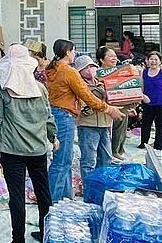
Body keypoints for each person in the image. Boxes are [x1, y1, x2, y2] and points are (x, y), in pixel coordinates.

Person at [0, 44, 57, 243]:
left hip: (12, 151)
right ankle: (46, 234)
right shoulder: (40, 88)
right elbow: (48, 116)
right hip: (38, 149)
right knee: (43, 193)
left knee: (17, 197)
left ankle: (18, 242)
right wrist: (53, 136)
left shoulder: (2, 90)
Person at [45, 40, 123, 202]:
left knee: (64, 160)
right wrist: (109, 109)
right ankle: (52, 202)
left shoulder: (52, 69)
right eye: (73, 51)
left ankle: (65, 198)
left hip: (55, 114)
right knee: (62, 161)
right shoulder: (68, 71)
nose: (75, 54)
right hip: (64, 116)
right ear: (68, 52)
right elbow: (86, 95)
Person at [75, 55, 114, 184]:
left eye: (92, 66)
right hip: (87, 125)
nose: (90, 69)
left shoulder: (103, 83)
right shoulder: (79, 86)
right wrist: (94, 100)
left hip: (104, 124)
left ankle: (102, 185)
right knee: (89, 160)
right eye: (86, 67)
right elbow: (82, 107)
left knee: (106, 157)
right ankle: (89, 187)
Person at [97, 46, 133, 159]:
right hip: (106, 106)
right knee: (108, 130)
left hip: (121, 104)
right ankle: (111, 151)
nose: (114, 58)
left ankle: (118, 149)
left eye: (115, 56)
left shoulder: (119, 71)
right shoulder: (98, 74)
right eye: (110, 56)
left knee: (121, 126)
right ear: (102, 60)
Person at [139, 51, 162, 150]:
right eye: (151, 59)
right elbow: (141, 87)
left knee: (161, 126)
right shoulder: (144, 72)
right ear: (147, 61)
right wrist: (141, 98)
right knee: (145, 124)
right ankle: (143, 143)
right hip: (148, 103)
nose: (153, 61)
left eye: (156, 59)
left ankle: (159, 145)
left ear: (160, 61)